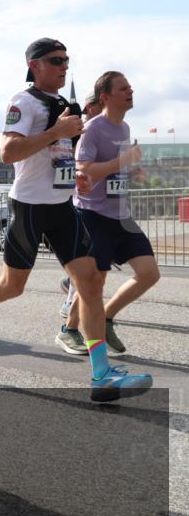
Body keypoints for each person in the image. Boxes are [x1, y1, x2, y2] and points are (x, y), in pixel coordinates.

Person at [0, 38, 152, 403]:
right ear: (35, 65)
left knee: (90, 283)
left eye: (67, 60)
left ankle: (101, 376)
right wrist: (56, 133)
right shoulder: (24, 102)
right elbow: (9, 153)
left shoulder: (60, 105)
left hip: (62, 207)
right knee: (12, 286)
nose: (63, 66)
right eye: (55, 61)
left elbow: (58, 154)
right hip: (30, 207)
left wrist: (76, 175)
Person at [55, 72, 160, 356]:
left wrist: (132, 171)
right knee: (95, 280)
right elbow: (84, 168)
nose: (131, 90)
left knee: (149, 274)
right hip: (93, 215)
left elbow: (114, 168)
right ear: (105, 97)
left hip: (120, 216)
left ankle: (107, 316)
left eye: (130, 86)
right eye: (123, 88)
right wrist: (124, 160)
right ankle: (69, 330)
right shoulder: (92, 128)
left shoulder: (123, 128)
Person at [58, 90, 105, 325]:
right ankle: (71, 303)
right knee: (88, 259)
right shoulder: (81, 131)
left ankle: (71, 283)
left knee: (95, 259)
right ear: (90, 107)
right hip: (77, 201)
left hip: (98, 203)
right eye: (100, 104)